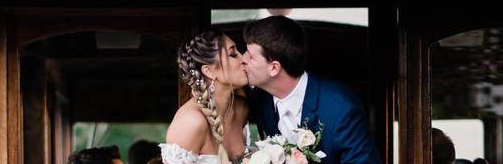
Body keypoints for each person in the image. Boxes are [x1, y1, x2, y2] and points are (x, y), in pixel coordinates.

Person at [242, 16, 381, 164]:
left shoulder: (342, 111)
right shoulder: (260, 98)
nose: (242, 59)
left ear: (274, 68)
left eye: (250, 56)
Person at [162, 30, 250, 164]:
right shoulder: (190, 122)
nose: (243, 58)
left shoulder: (241, 109)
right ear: (209, 71)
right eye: (232, 54)